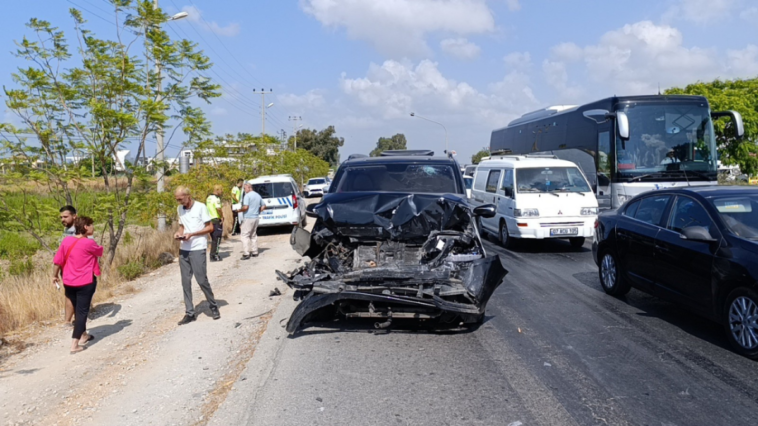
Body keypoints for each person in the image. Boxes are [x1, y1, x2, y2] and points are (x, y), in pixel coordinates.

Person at [52, 216, 102, 355]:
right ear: (86, 227)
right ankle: (75, 344)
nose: (93, 228)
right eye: (91, 225)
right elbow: (99, 252)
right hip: (85, 282)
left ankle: (84, 335)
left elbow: (57, 261)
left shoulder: (66, 241)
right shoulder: (89, 243)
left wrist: (54, 276)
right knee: (81, 312)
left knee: (76, 308)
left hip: (69, 282)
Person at [174, 186, 220, 324]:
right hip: (184, 249)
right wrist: (179, 234)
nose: (179, 202)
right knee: (185, 282)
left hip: (198, 247)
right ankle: (189, 312)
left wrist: (192, 234)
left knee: (201, 280)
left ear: (188, 195)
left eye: (181, 199)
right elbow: (182, 226)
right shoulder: (180, 209)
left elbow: (210, 227)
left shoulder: (200, 207)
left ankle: (213, 306)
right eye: (177, 200)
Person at [59, 205, 77, 327]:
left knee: (73, 293)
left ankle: (74, 320)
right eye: (61, 217)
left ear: (74, 216)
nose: (62, 220)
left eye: (65, 216)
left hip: (76, 268)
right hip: (66, 268)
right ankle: (69, 320)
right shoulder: (67, 230)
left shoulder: (80, 230)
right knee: (70, 293)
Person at [239, 181, 266, 259]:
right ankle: (255, 252)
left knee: (245, 235)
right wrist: (258, 211)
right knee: (253, 235)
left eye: (245, 188)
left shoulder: (247, 196)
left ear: (249, 187)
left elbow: (245, 207)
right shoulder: (258, 195)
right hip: (256, 217)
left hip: (248, 218)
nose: (244, 190)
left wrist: (238, 210)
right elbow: (264, 206)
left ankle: (246, 253)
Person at [206, 185, 224, 262]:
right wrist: (222, 216)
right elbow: (218, 209)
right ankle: (214, 255)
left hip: (209, 220)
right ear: (217, 190)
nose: (221, 192)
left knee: (213, 238)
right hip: (216, 219)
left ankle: (212, 254)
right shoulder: (216, 198)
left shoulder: (208, 198)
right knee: (217, 238)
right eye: (221, 190)